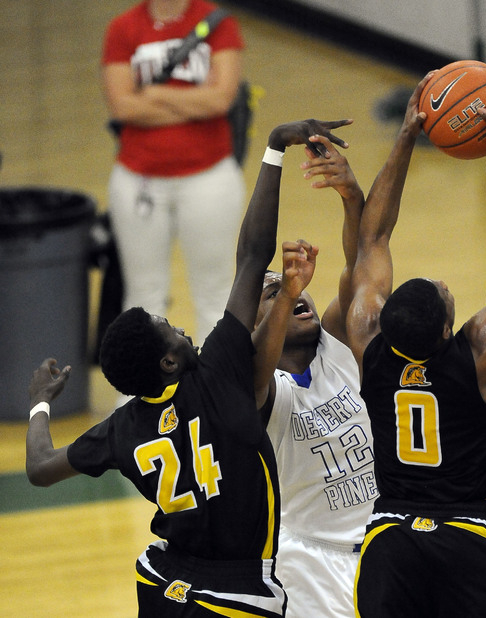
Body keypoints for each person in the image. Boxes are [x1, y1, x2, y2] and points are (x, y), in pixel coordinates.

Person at [26, 119, 352, 616]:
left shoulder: (121, 428)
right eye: (170, 327)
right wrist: (273, 149)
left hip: (162, 581)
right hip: (237, 591)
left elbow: (41, 468)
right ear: (170, 361)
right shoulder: (217, 371)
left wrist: (40, 404)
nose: (182, 328)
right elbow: (251, 256)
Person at [346, 71, 486, 617]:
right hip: (467, 538)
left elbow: (373, 238)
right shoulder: (479, 352)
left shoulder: (368, 341)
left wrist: (407, 135)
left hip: (391, 542)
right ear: (446, 331)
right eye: (442, 294)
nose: (441, 284)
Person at [252, 135, 378, 617]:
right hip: (308, 562)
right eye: (272, 294)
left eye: (295, 287)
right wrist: (285, 289)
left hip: (383, 545)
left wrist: (351, 197)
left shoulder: (339, 344)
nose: (293, 291)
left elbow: (362, 266)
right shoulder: (260, 388)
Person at [101, 0, 246, 346]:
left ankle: (215, 390)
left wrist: (153, 95)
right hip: (138, 181)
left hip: (209, 178)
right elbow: (122, 106)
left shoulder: (217, 24)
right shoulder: (123, 29)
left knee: (216, 292)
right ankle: (136, 392)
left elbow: (220, 101)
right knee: (143, 294)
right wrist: (194, 102)